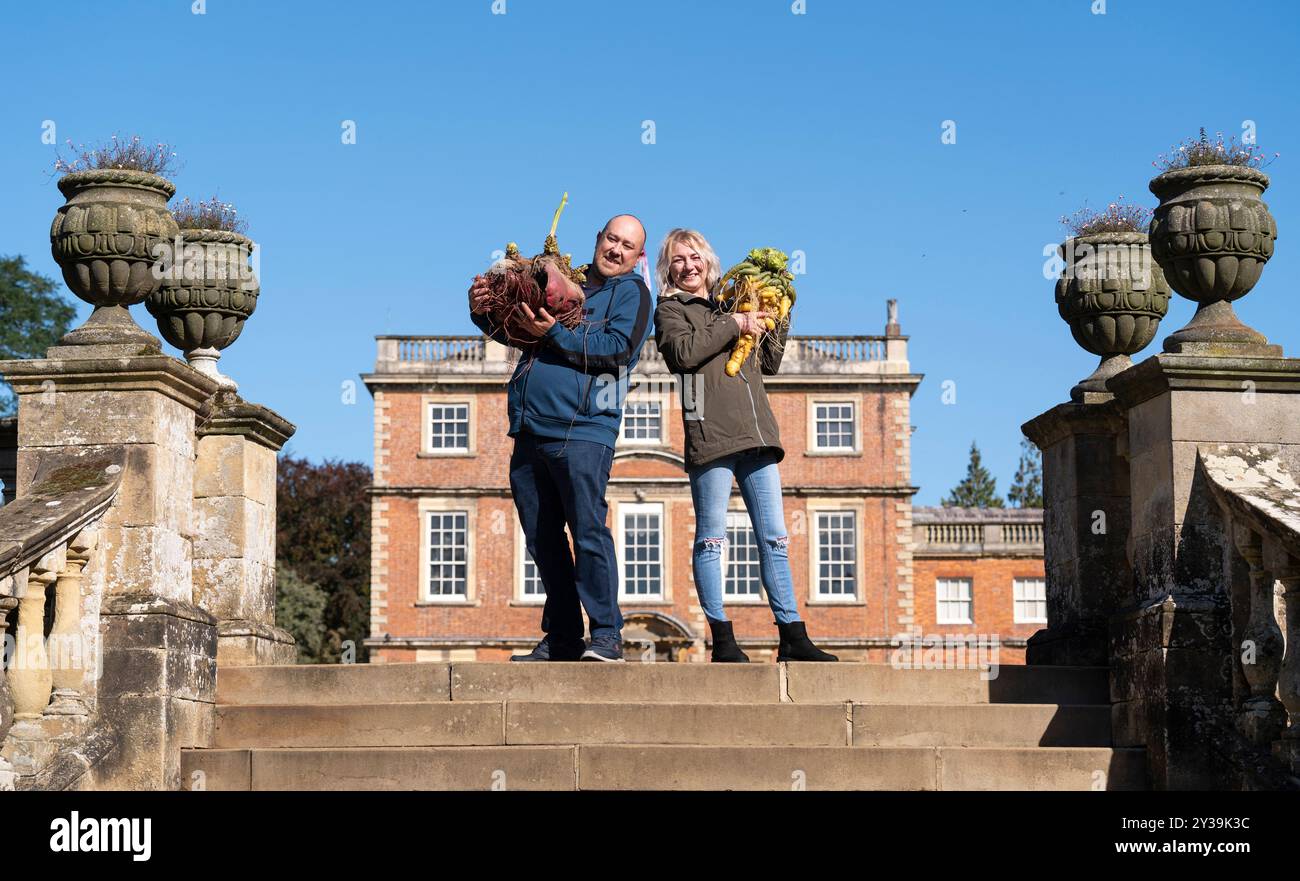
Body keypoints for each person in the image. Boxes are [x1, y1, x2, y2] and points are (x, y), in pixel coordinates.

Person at [468, 215, 652, 662]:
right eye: (612, 239)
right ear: (598, 239)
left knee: (587, 531)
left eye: (627, 245)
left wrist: (552, 331)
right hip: (530, 428)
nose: (616, 250)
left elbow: (617, 350)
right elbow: (514, 329)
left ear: (637, 256)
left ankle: (606, 635)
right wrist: (482, 310)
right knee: (542, 539)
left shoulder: (632, 293)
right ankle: (565, 637)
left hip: (585, 430)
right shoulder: (562, 279)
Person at [653, 228, 837, 662]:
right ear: (668, 268)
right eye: (678, 259)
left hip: (758, 437)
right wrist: (734, 323)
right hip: (711, 437)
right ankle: (723, 640)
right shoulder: (670, 311)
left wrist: (779, 311)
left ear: (708, 261)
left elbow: (769, 362)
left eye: (695, 256)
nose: (688, 266)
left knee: (774, 538)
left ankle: (792, 637)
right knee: (712, 540)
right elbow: (683, 354)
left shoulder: (736, 300)